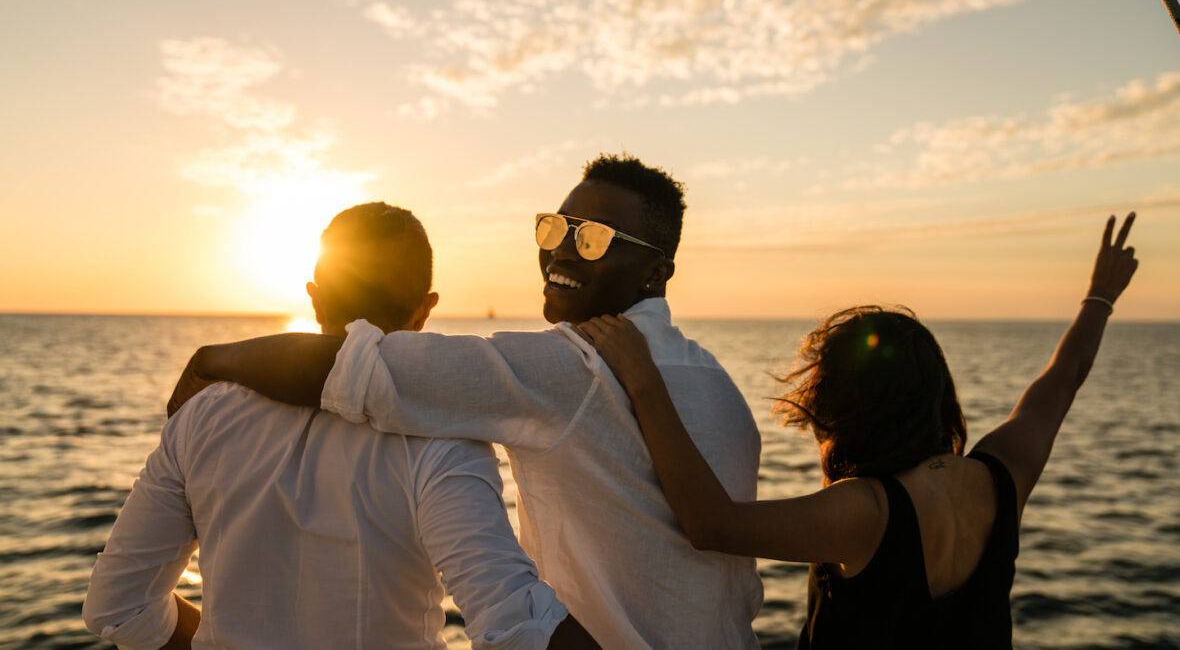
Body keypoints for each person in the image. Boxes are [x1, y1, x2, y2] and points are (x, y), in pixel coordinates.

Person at [166, 154, 764, 648]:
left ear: (654, 273)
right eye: (555, 229)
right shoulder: (714, 380)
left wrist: (211, 359)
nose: (559, 252)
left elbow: (356, 368)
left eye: (593, 239)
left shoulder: (576, 364)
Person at [574, 214, 1140, 649]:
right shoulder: (1002, 476)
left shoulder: (866, 512)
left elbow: (712, 523)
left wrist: (644, 381)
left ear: (843, 410)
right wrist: (1101, 296)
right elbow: (1061, 382)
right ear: (936, 392)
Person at [83, 203, 597, 650]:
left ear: (314, 297)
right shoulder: (441, 437)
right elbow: (517, 628)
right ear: (426, 309)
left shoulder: (203, 415)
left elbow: (118, 607)